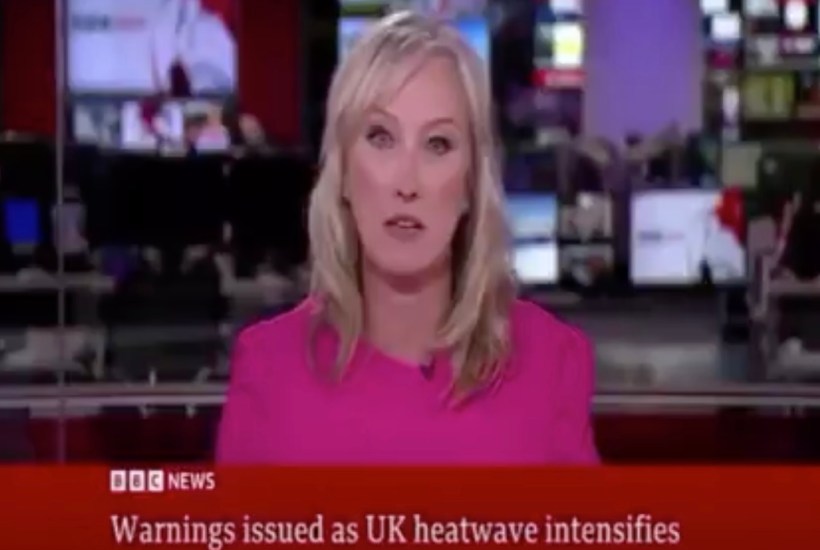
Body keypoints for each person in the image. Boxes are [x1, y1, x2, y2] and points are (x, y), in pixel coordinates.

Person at [216, 12, 599, 465]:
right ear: (343, 173)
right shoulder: (269, 370)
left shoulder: (550, 363)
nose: (407, 183)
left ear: (470, 185)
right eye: (381, 138)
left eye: (437, 144)